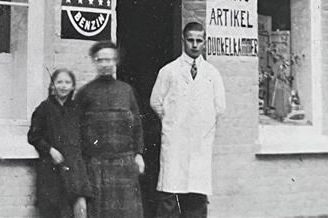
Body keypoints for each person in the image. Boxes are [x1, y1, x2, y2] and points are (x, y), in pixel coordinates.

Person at [150, 22, 226, 218]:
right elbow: (156, 102)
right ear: (183, 40)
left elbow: (219, 107)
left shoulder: (212, 73)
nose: (194, 45)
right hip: (175, 142)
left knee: (196, 196)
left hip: (199, 144)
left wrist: (198, 124)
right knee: (170, 194)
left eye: (199, 41)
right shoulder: (169, 71)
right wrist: (174, 122)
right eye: (190, 40)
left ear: (204, 43)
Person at [78, 40, 145, 218]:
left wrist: (138, 154)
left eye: (110, 60)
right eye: (101, 60)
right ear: (94, 62)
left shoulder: (126, 90)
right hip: (96, 166)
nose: (105, 64)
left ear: (116, 61)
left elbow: (137, 125)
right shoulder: (85, 93)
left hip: (124, 163)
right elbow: (77, 131)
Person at [28, 68, 92, 218]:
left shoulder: (77, 109)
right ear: (52, 86)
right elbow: (33, 136)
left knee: (80, 205)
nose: (63, 86)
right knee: (53, 209)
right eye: (59, 82)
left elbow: (85, 138)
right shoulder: (44, 108)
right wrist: (50, 150)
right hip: (52, 167)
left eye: (67, 82)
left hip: (74, 167)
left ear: (73, 86)